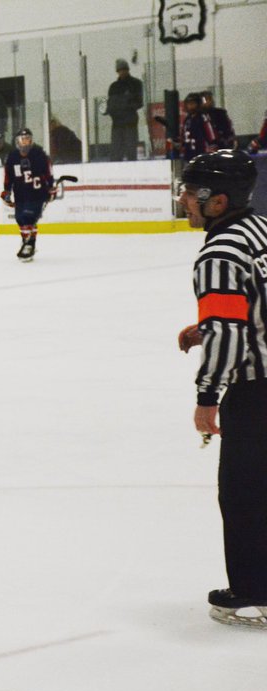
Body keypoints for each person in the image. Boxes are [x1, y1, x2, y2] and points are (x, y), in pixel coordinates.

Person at [173, 150, 267, 628]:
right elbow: (251, 307)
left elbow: (231, 335)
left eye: (192, 193)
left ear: (218, 200)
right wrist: (207, 327)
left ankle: (254, 592)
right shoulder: (261, 230)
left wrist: (207, 398)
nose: (185, 199)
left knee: (244, 492)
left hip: (256, 393)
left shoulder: (219, 253)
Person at [1, 127, 54, 262]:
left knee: (28, 217)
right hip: (20, 194)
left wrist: (50, 187)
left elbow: (48, 172)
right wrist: (7, 191)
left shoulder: (39, 154)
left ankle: (30, 244)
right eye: (23, 139)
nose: (26, 142)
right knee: (20, 218)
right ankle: (27, 241)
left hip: (37, 193)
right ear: (18, 141)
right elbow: (9, 176)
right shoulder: (12, 157)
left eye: (28, 139)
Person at [105, 59, 143, 161]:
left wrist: (126, 106)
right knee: (116, 149)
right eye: (120, 70)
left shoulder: (135, 84)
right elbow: (110, 103)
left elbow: (139, 102)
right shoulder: (113, 87)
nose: (122, 72)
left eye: (123, 69)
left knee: (130, 148)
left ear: (127, 70)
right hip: (117, 122)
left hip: (129, 121)